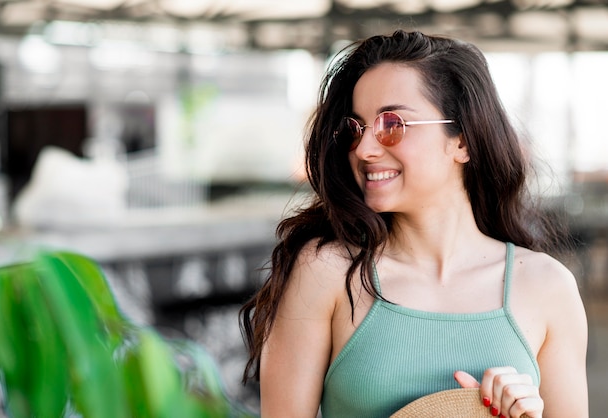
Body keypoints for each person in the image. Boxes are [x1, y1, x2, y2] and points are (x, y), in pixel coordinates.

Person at [239, 29, 588, 418]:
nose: (365, 149)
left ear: (463, 141)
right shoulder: (327, 273)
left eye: (392, 124)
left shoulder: (548, 287)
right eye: (356, 128)